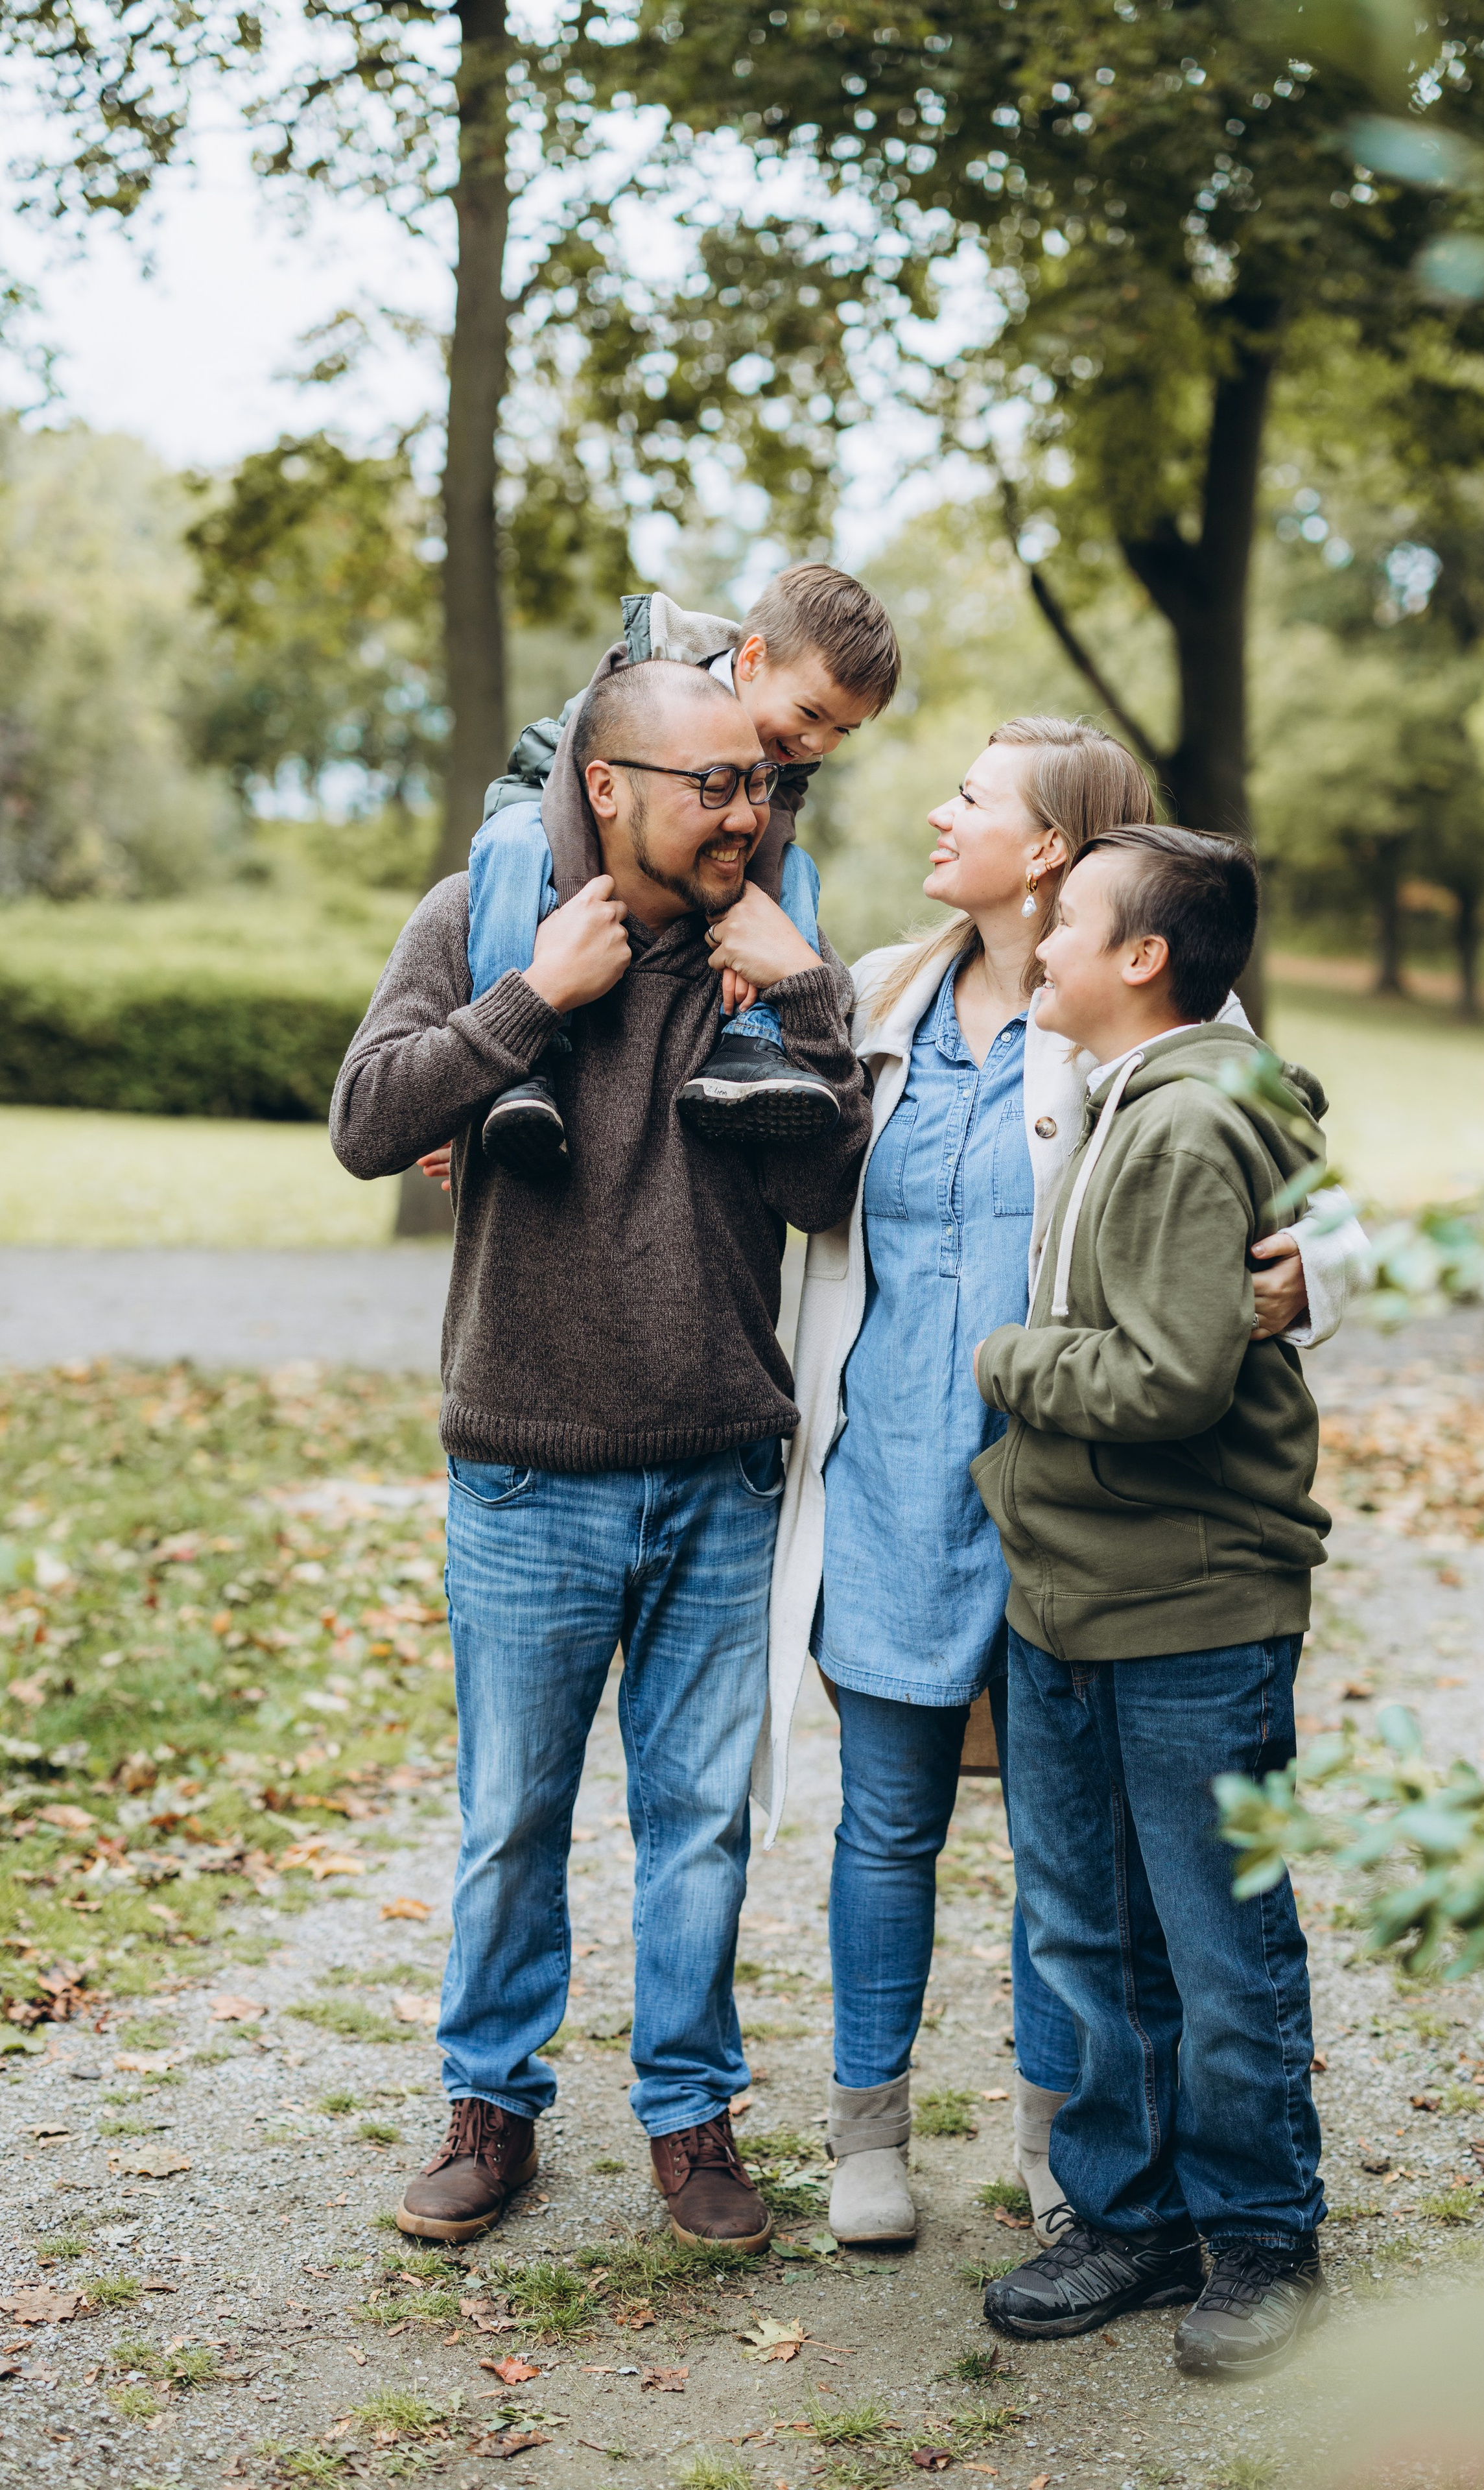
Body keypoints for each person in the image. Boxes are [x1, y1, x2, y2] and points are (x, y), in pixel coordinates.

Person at [722, 718, 1365, 2249]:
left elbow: (1321, 1204)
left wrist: (1302, 1283)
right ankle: (864, 2134)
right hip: (883, 1472)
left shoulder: (1129, 1020)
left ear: (1054, 855)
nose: (939, 812)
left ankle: (1057, 2135)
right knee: (886, 1822)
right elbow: (719, 1114)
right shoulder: (877, 990)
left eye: (971, 797)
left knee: (1064, 1849)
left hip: (1068, 1493)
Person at [330, 658, 871, 2249]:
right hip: (523, 1462)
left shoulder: (761, 940)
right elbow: (367, 1119)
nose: (748, 809)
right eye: (712, 783)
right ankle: (489, 2105)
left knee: (697, 1820)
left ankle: (690, 2118)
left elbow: (832, 1191)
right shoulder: (480, 917)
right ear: (605, 783)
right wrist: (527, 1006)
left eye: (758, 783)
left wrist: (808, 997)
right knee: (512, 1812)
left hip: (720, 1457)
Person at [971, 824, 1332, 2375]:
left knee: (1215, 1936)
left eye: (1068, 918)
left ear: (1143, 960)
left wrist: (1003, 1360)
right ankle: (1126, 2213)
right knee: (1089, 1932)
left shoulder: (1185, 1122)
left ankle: (1260, 2236)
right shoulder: (1121, 1092)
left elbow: (1171, 1378)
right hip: (1066, 1590)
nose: (1035, 936)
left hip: (1187, 1603)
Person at [465, 566, 899, 1178]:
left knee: (796, 872)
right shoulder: (651, 673)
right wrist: (579, 906)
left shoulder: (784, 744)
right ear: (752, 660)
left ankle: (753, 1041)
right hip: (548, 809)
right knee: (511, 844)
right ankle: (518, 1068)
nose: (816, 744)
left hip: (681, 877)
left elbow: (770, 834)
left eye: (841, 732)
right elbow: (571, 792)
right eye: (811, 713)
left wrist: (745, 925)